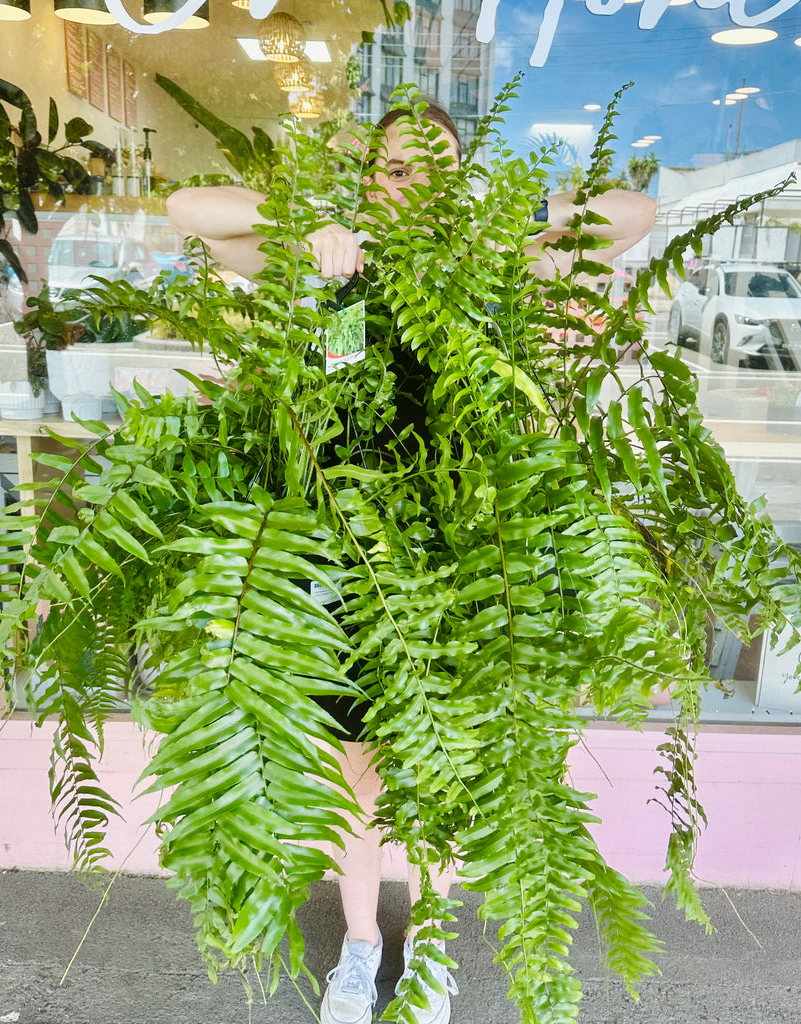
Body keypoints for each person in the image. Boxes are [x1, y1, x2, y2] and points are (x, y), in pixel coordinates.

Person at [167, 100, 656, 1024]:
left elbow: (633, 217)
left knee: (440, 769)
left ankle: (425, 947)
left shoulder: (495, 264)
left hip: (469, 570)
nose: (405, 181)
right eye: (388, 166)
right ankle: (360, 948)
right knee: (356, 768)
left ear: (459, 178)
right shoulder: (317, 259)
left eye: (429, 168)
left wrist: (490, 218)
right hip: (354, 565)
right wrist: (313, 223)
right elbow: (190, 210)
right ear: (362, 173)